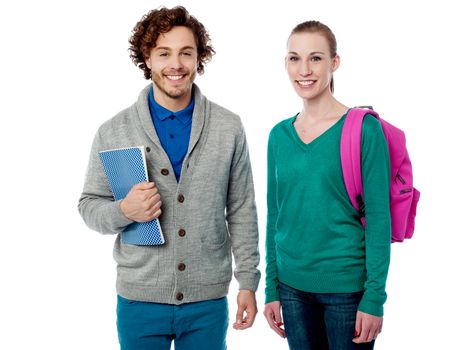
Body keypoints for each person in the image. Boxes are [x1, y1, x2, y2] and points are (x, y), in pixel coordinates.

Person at [78, 6, 260, 350]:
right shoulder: (113, 131)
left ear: (198, 58)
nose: (175, 64)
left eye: (185, 53)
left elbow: (241, 209)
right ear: (147, 58)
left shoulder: (228, 127)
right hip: (139, 300)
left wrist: (248, 281)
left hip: (207, 300)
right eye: (164, 53)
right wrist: (125, 211)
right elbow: (89, 205)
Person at [263, 20, 391, 350]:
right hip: (291, 291)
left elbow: (378, 218)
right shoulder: (279, 135)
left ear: (334, 63)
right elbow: (275, 215)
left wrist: (374, 296)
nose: (304, 69)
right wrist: (272, 288)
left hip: (347, 293)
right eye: (294, 58)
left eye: (316, 58)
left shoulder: (363, 130)